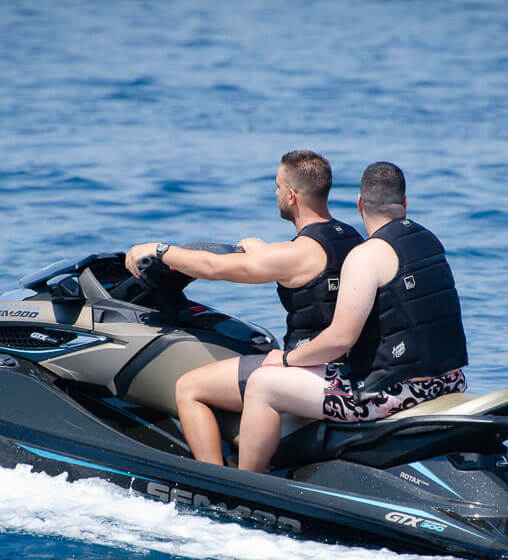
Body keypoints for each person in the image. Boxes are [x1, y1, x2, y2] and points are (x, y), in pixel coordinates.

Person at [124, 151, 363, 465]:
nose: (276, 193)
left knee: (189, 387)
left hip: (308, 366)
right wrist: (259, 249)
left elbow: (213, 267)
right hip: (345, 366)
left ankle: (216, 483)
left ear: (292, 195)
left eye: (278, 187)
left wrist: (159, 250)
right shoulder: (350, 238)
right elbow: (302, 266)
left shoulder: (297, 253)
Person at [235, 162, 468, 472]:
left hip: (392, 393)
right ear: (405, 203)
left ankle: (246, 485)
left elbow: (340, 340)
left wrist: (288, 359)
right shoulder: (429, 241)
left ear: (359, 204)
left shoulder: (366, 255)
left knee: (263, 384)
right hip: (450, 381)